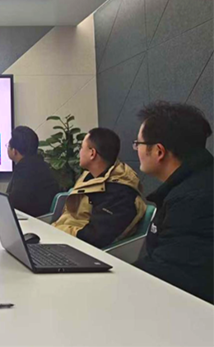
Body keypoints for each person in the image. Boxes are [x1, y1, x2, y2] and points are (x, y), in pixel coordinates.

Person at [133, 102, 214, 304]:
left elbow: (168, 275)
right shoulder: (196, 183)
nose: (136, 149)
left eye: (138, 143)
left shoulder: (192, 201)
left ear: (159, 151)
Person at [52, 127, 146, 248]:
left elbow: (94, 237)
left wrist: (58, 231)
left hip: (81, 249)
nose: (79, 152)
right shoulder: (89, 177)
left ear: (92, 153)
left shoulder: (120, 194)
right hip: (64, 240)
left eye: (82, 147)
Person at [0, 126, 60, 217]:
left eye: (8, 146)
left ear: (14, 151)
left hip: (32, 220)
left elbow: (14, 202)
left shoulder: (26, 169)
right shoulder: (40, 164)